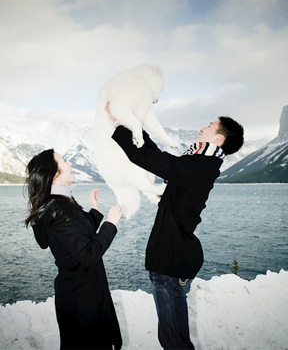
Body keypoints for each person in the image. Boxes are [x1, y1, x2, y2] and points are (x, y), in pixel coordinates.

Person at [105, 104, 244, 350]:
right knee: (173, 338)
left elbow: (145, 157)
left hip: (171, 263)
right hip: (171, 260)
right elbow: (156, 155)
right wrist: (131, 124)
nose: (202, 128)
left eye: (209, 127)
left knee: (174, 341)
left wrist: (119, 122)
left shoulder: (199, 167)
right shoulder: (199, 164)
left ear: (218, 138)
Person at [25, 149, 124, 349]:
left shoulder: (61, 205)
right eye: (63, 161)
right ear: (55, 176)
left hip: (84, 296)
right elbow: (89, 254)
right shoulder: (59, 209)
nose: (69, 163)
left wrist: (95, 211)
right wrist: (110, 224)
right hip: (81, 304)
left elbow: (79, 236)